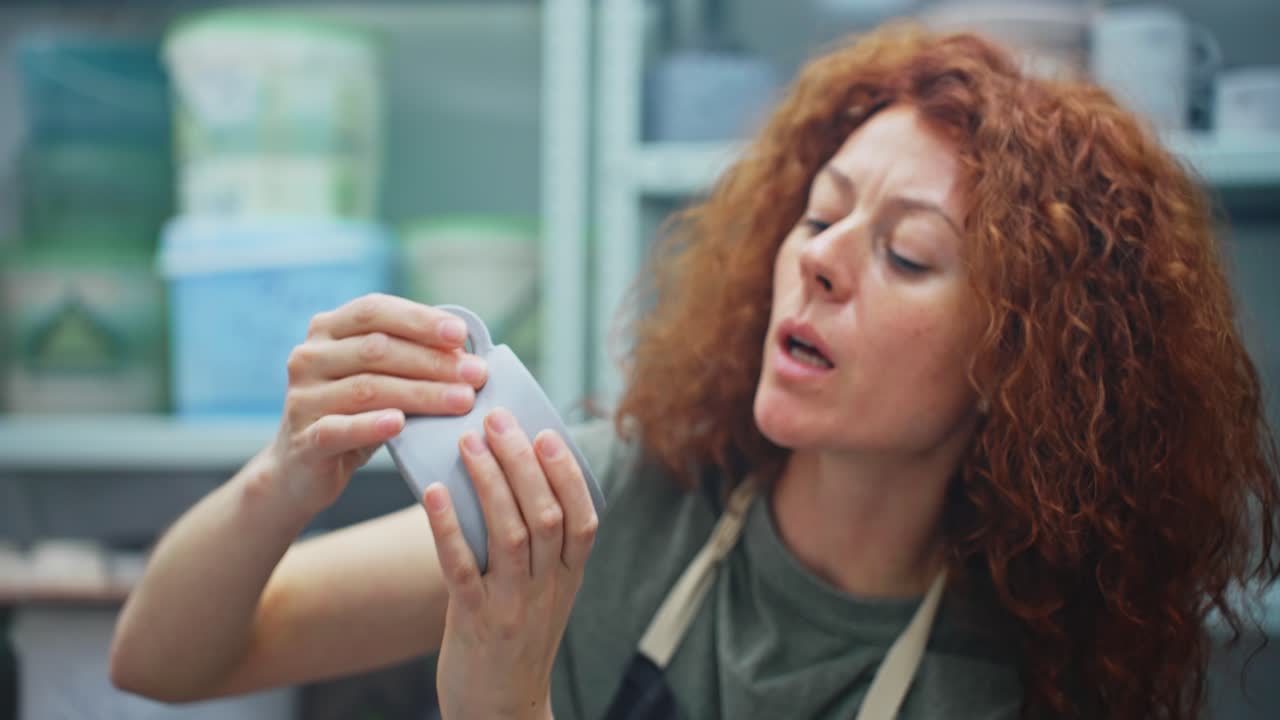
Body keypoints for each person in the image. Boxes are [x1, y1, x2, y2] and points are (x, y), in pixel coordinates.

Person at [109, 24, 1280, 720]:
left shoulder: (1003, 684)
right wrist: (284, 477)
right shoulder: (615, 492)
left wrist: (506, 701)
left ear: (1016, 363)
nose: (817, 261)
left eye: (906, 253)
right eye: (818, 215)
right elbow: (162, 660)